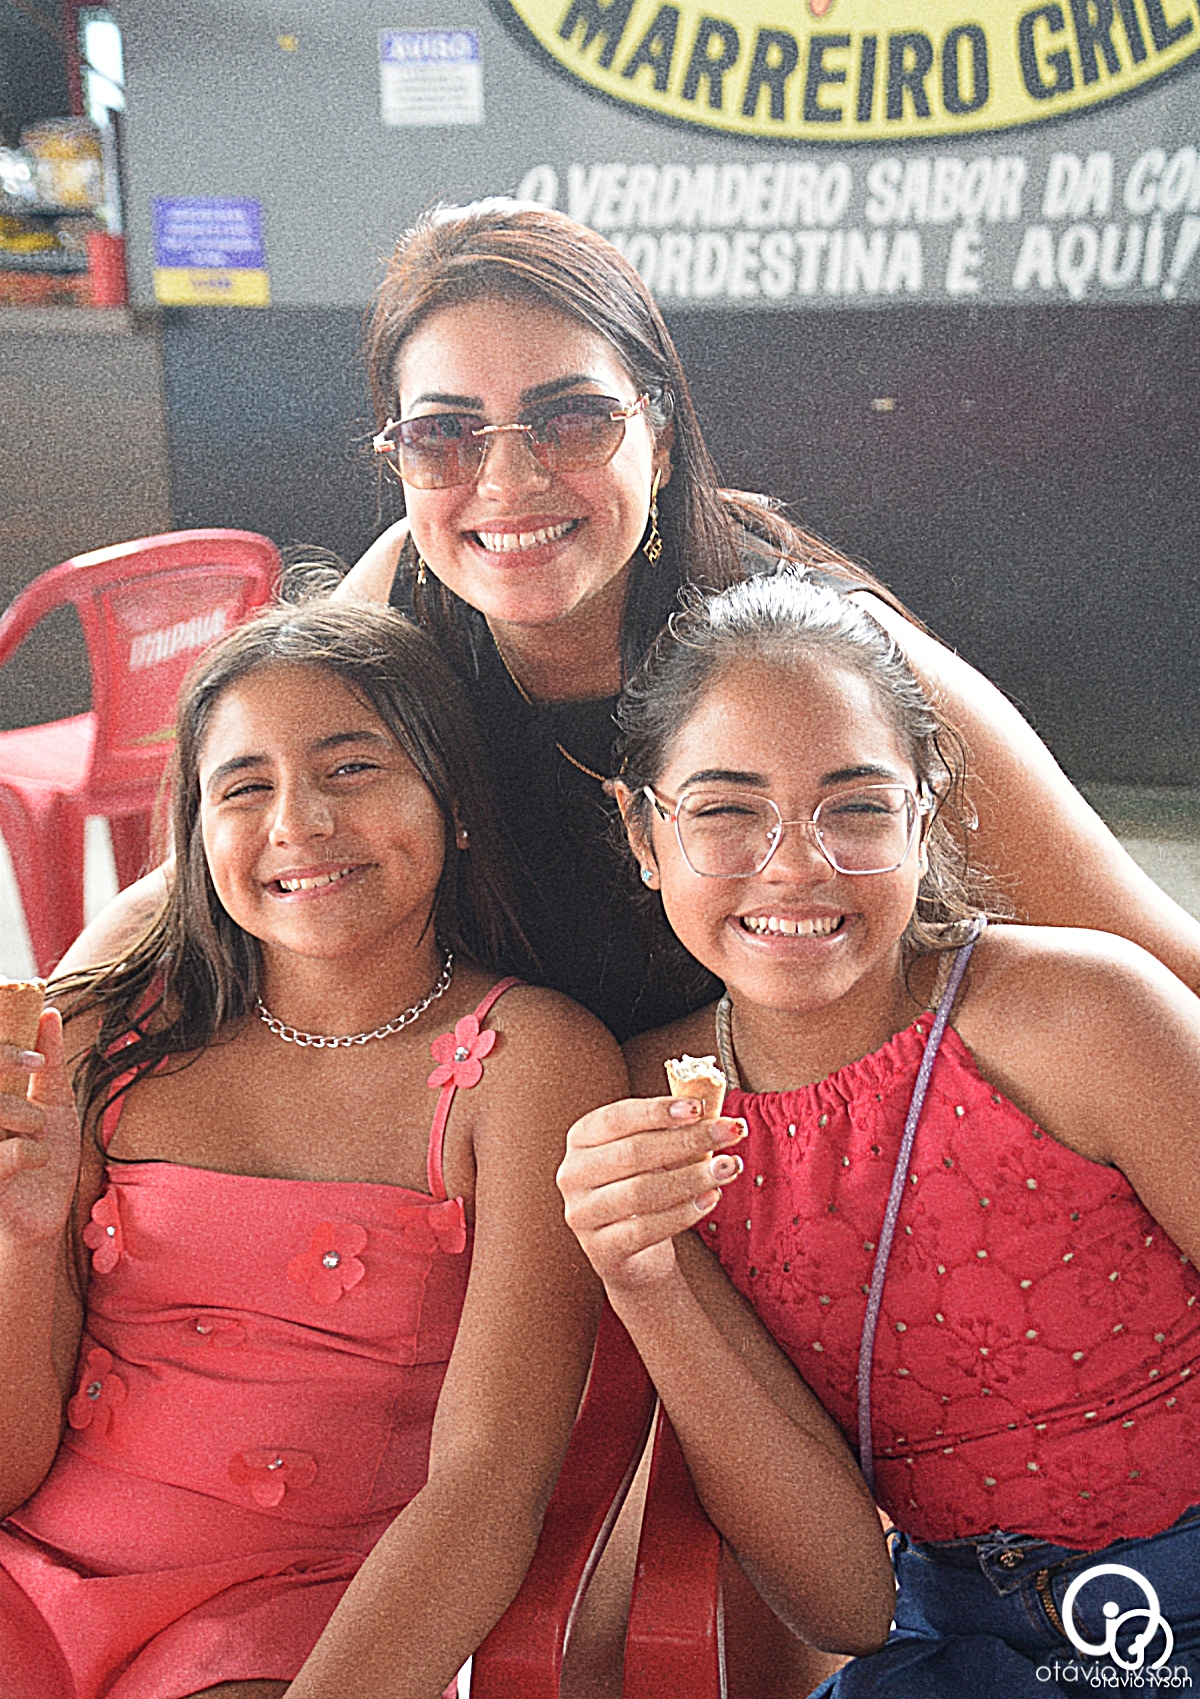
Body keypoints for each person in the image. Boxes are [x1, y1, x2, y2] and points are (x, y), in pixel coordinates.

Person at [63, 201, 1200, 1037]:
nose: (507, 482)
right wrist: (45, 1027)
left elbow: (1153, 958)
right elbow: (188, 889)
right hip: (527, 1151)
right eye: (444, 434)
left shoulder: (816, 648)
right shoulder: (406, 587)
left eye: (570, 419)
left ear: (656, 436)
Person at [557, 571, 1200, 1694]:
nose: (796, 864)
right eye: (726, 810)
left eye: (855, 806)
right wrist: (643, 1275)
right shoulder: (652, 1121)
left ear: (925, 812)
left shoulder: (1084, 1015)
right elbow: (848, 1604)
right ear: (642, 831)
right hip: (950, 1637)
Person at [0, 594, 627, 1699]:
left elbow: (488, 1485)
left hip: (288, 1622)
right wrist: (18, 1242)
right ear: (197, 834)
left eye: (352, 769)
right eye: (245, 788)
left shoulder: (529, 1063)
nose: (299, 823)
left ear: (455, 804)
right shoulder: (105, 1036)